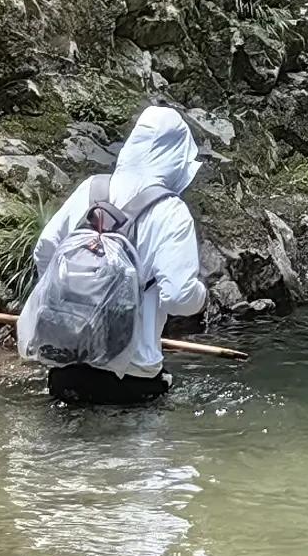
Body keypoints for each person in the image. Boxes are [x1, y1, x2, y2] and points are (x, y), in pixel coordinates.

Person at [24, 105, 208, 405]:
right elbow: (178, 297)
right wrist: (202, 296)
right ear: (177, 159)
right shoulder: (171, 212)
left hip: (66, 364)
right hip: (130, 376)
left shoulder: (91, 188)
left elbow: (45, 249)